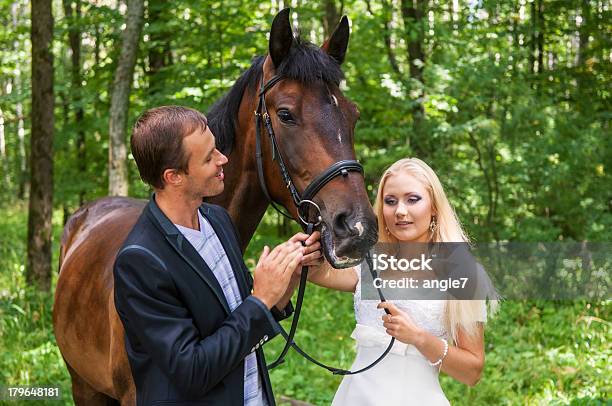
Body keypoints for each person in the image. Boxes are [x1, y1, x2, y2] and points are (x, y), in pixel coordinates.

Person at [113, 106, 321, 405]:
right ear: (174, 177)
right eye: (209, 157)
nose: (223, 159)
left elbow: (240, 322)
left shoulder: (218, 220)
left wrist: (287, 277)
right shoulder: (140, 260)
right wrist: (261, 299)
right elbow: (193, 370)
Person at [307, 158, 496, 405]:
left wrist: (419, 338)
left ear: (434, 206)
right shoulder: (370, 262)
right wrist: (311, 250)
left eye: (413, 199)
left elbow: (472, 371)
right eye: (390, 201)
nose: (400, 211)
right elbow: (317, 273)